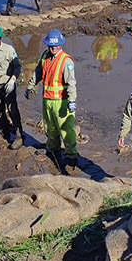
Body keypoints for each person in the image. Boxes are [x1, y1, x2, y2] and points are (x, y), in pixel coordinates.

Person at [26, 28, 77, 173]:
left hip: (62, 101)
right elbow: (38, 72)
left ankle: (71, 155)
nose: (53, 48)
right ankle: (52, 149)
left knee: (66, 129)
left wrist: (72, 100)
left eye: (56, 46)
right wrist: (30, 87)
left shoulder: (66, 61)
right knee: (50, 127)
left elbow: (71, 83)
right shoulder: (45, 56)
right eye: (51, 46)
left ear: (60, 45)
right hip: (47, 100)